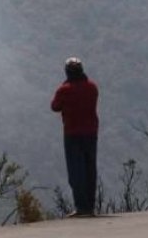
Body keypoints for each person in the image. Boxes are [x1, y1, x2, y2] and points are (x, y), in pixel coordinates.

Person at [51, 57, 99, 217]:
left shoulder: (64, 90)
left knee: (76, 171)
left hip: (73, 134)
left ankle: (81, 207)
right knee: (90, 169)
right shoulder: (92, 87)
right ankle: (90, 206)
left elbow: (54, 106)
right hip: (91, 133)